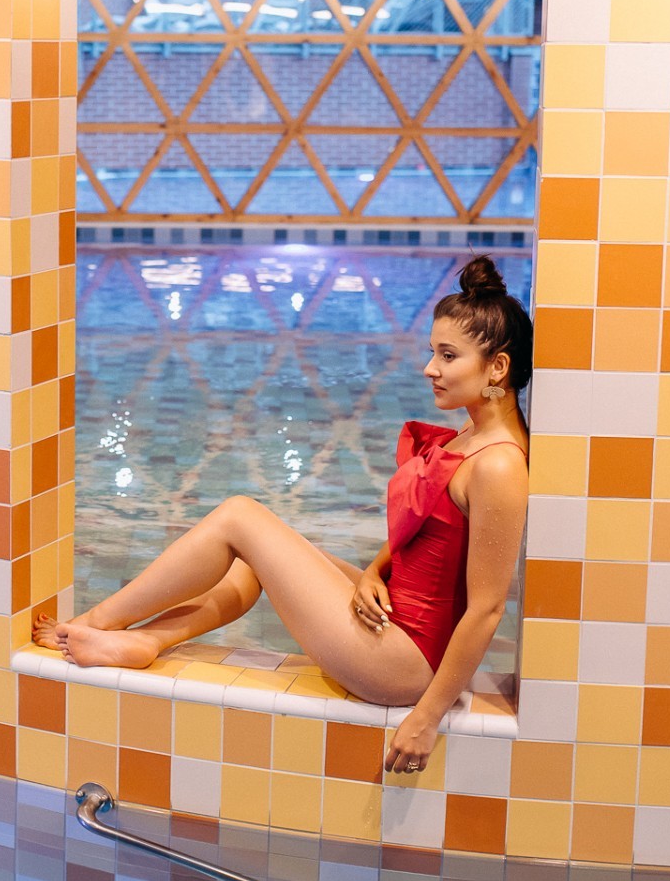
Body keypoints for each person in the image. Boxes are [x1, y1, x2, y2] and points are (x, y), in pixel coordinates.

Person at [32, 255, 531, 777]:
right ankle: (144, 640)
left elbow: (487, 609)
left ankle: (93, 624)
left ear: (497, 367)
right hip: (391, 617)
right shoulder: (475, 434)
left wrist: (426, 719)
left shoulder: (498, 465)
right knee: (251, 559)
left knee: (239, 516)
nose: (430, 368)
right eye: (432, 352)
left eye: (448, 356)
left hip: (403, 662)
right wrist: (371, 571)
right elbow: (428, 527)